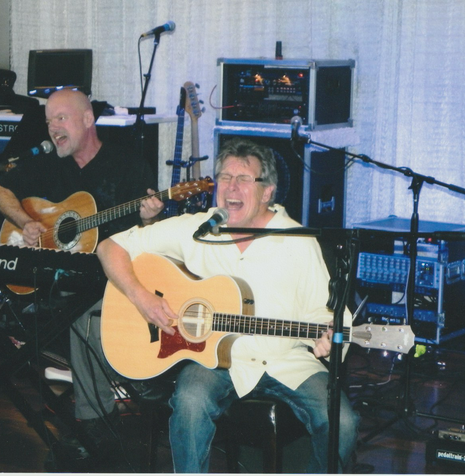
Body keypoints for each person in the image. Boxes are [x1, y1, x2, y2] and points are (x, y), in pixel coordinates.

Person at [96, 137, 360, 472]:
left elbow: (324, 310)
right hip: (216, 360)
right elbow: (110, 247)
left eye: (244, 179)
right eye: (224, 177)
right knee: (190, 402)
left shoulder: (298, 240)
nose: (231, 187)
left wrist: (328, 335)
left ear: (268, 192)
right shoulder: (198, 228)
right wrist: (141, 297)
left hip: (285, 359)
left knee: (343, 422)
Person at [0, 88, 165, 457]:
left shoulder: (129, 166)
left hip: (110, 280)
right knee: (76, 311)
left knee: (84, 314)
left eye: (61, 119)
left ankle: (99, 421)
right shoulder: (47, 163)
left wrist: (150, 218)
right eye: (50, 121)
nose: (53, 129)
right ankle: (110, 407)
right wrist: (26, 221)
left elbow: (150, 244)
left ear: (87, 120)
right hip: (49, 279)